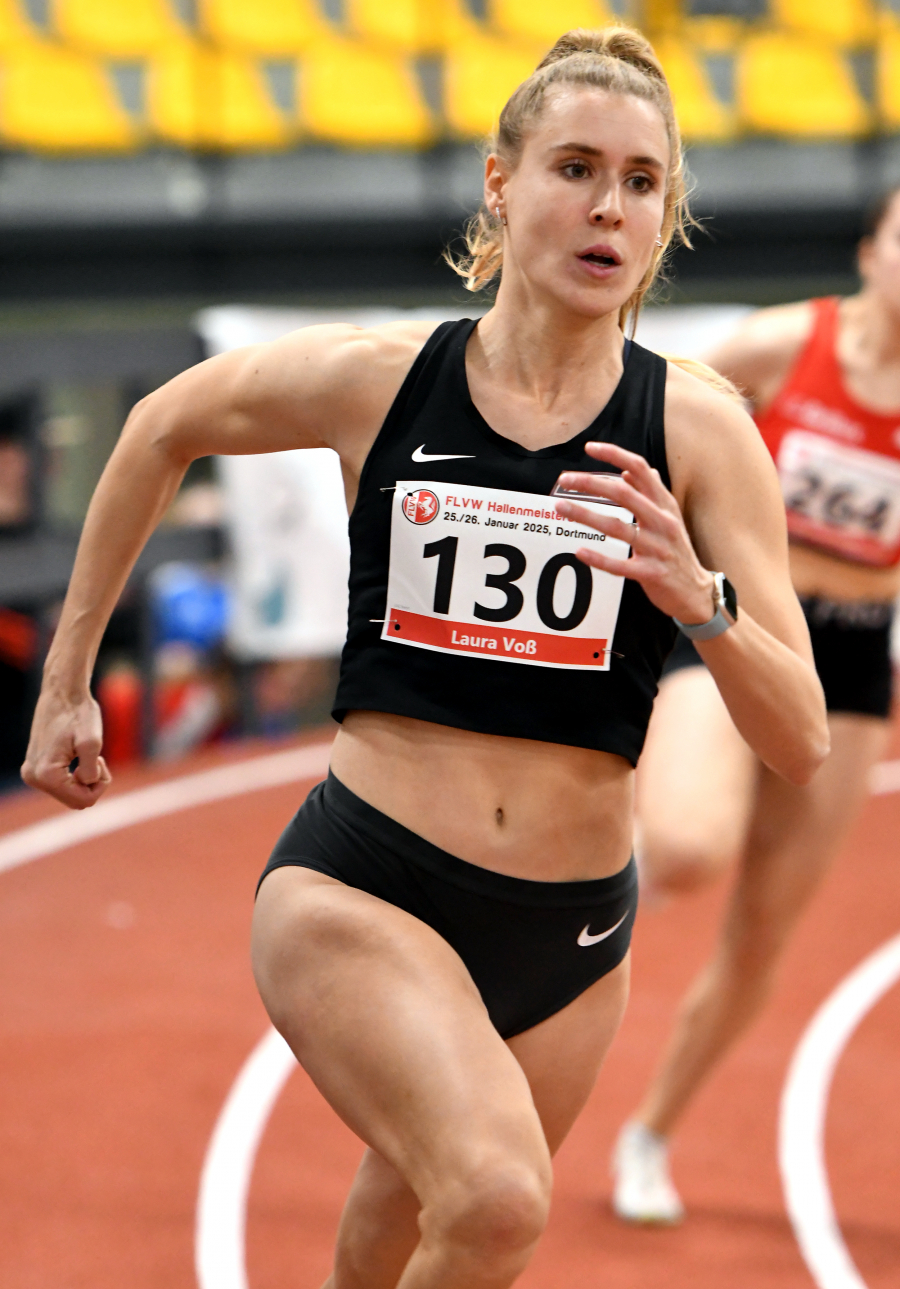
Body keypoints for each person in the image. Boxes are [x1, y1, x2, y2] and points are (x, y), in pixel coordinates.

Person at [22, 27, 828, 1289]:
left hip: (569, 937)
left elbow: (801, 742)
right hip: (367, 885)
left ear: (664, 219)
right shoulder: (381, 381)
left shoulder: (701, 432)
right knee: (500, 1198)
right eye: (573, 167)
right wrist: (66, 680)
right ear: (501, 183)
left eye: (639, 181)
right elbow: (158, 425)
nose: (607, 206)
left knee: (415, 1217)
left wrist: (702, 602)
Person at [613, 189, 900, 1226]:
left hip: (856, 657)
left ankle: (649, 1131)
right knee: (687, 845)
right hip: (733, 618)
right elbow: (658, 421)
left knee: (764, 932)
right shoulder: (784, 344)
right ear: (873, 247)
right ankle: (554, 881)